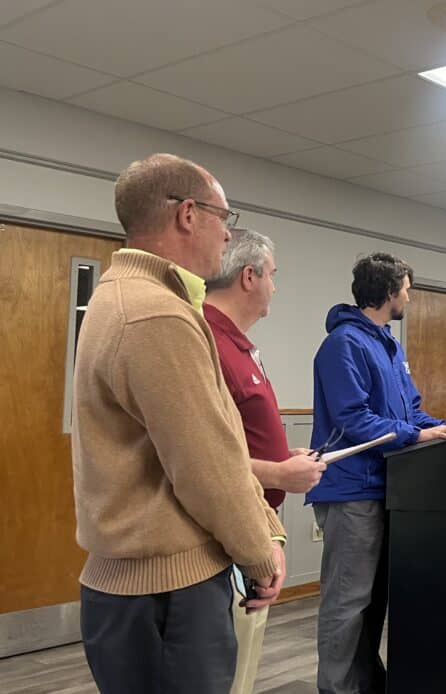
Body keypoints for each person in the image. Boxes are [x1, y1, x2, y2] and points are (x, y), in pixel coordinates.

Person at [72, 153, 286, 694]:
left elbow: (217, 442)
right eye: (224, 218)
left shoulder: (123, 297)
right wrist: (260, 552)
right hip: (165, 596)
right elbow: (206, 465)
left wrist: (265, 527)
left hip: (144, 593)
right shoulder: (157, 314)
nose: (227, 235)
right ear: (188, 215)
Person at [308, 252, 446, 694]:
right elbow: (352, 418)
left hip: (386, 486)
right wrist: (415, 435)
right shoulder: (343, 344)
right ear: (389, 291)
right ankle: (337, 688)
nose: (409, 298)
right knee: (348, 601)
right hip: (351, 491)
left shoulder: (387, 344)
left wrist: (444, 428)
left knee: (372, 601)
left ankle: (364, 683)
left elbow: (410, 410)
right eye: (407, 290)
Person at [204, 228, 327, 694]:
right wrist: (276, 472)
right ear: (249, 276)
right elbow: (201, 457)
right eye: (273, 275)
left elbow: (234, 438)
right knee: (226, 675)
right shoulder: (207, 342)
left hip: (254, 529)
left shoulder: (238, 345)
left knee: (241, 668)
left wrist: (281, 456)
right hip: (225, 540)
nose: (276, 286)